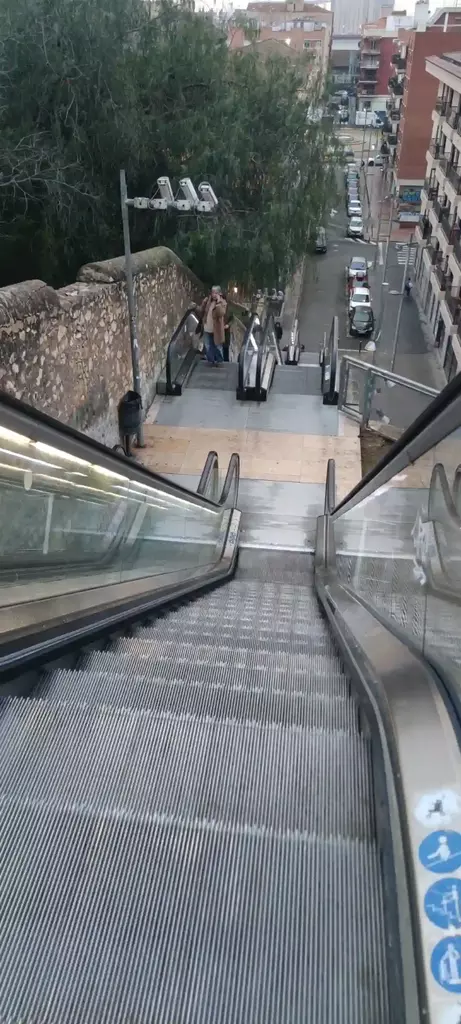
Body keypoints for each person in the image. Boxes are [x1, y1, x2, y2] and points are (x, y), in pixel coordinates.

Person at [198, 286, 227, 366]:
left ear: (219, 293)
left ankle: (220, 362)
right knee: (207, 346)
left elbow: (221, 313)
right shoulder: (208, 301)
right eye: (212, 292)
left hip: (216, 330)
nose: (214, 294)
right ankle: (211, 361)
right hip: (207, 328)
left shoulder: (223, 302)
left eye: (216, 293)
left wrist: (218, 302)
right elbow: (201, 311)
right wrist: (200, 304)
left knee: (218, 347)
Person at [221, 293, 234, 363]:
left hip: (226, 332)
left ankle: (226, 362)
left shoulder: (229, 309)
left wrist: (228, 325)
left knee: (225, 348)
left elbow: (232, 319)